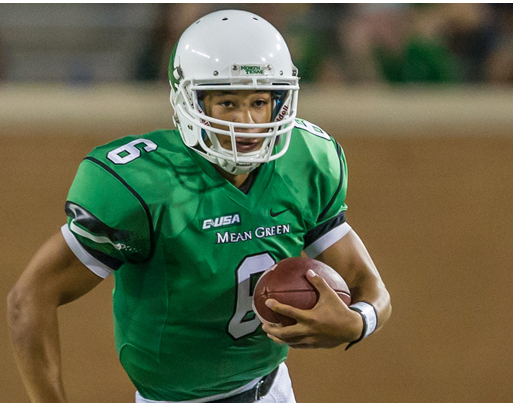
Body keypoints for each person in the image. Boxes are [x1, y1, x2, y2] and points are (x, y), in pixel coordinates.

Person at [7, 9, 391, 403]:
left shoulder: (307, 159)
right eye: (227, 102)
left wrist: (359, 321)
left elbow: (369, 284)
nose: (247, 122)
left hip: (275, 389)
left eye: (260, 101)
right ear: (189, 100)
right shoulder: (141, 184)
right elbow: (29, 299)